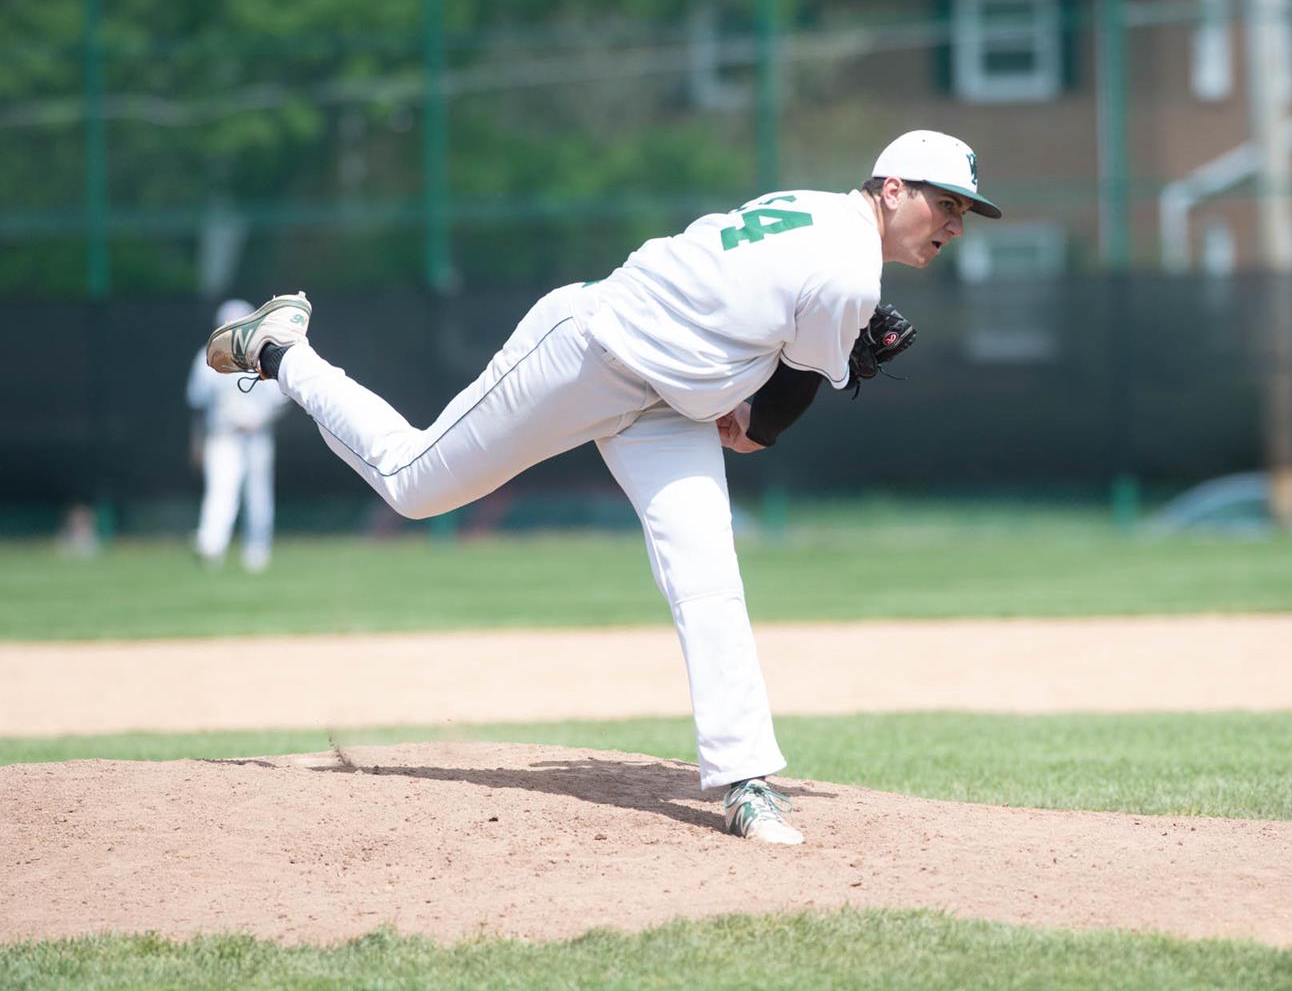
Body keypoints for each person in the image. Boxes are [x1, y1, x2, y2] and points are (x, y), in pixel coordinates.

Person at [203, 130, 1000, 844]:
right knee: (415, 484)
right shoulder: (850, 273)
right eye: (946, 202)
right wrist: (750, 424)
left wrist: (737, 399)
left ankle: (743, 780)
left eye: (964, 211)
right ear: (892, 188)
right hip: (589, 353)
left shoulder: (815, 209)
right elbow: (778, 409)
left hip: (669, 406)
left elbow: (751, 327)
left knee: (708, 577)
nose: (955, 224)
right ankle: (281, 350)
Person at [187, 298, 292, 572]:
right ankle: (211, 546)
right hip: (222, 436)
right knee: (221, 491)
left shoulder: (263, 356)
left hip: (256, 437)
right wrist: (197, 440)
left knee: (258, 496)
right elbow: (199, 404)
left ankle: (257, 550)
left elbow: (280, 399)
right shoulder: (206, 357)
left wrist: (259, 421)